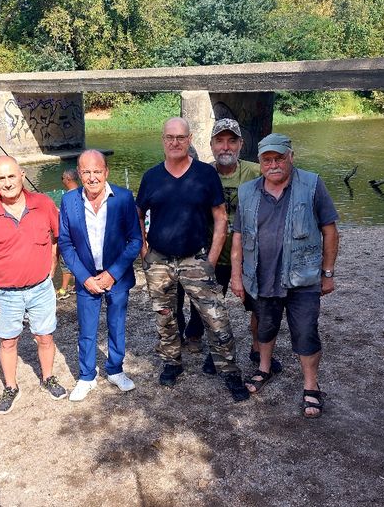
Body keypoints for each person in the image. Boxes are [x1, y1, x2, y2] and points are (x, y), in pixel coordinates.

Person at [136, 117, 249, 402]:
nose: (175, 142)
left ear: (189, 140)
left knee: (216, 318)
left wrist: (210, 258)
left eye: (181, 138)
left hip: (195, 258)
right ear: (163, 140)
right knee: (165, 317)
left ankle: (230, 371)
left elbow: (220, 218)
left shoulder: (205, 175)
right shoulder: (151, 176)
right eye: (170, 137)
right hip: (159, 261)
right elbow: (137, 215)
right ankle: (172, 363)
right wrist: (144, 251)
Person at [230, 133, 339, 418]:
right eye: (267, 159)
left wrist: (327, 274)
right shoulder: (247, 191)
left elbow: (330, 231)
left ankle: (311, 387)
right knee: (264, 328)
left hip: (303, 278)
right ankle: (264, 368)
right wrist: (236, 276)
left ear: (291, 156)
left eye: (279, 158)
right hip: (261, 276)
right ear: (260, 162)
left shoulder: (312, 185)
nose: (273, 164)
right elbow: (238, 237)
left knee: (305, 331)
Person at [184, 119, 283, 376]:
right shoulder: (201, 173)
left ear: (241, 144)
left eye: (231, 141)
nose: (225, 147)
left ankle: (257, 349)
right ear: (212, 145)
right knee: (209, 308)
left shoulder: (255, 172)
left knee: (259, 307)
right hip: (212, 254)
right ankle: (215, 351)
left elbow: (283, 187)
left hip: (251, 257)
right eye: (220, 141)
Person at [0, 155, 66, 414]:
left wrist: (53, 263)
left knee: (45, 336)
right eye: (1, 178)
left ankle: (48, 377)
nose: (7, 183)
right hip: (5, 293)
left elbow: (57, 237)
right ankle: (11, 386)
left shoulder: (43, 203)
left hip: (40, 289)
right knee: (7, 341)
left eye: (11, 176)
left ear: (22, 174)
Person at [58, 150, 142, 402]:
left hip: (116, 276)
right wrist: (84, 277)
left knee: (117, 324)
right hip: (87, 278)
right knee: (87, 328)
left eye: (97, 171)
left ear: (106, 172)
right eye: (86, 172)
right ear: (79, 173)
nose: (92, 177)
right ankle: (86, 376)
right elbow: (65, 242)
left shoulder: (124, 198)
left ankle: (115, 369)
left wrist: (113, 274)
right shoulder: (69, 200)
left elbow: (135, 240)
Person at [56, 168, 79, 301]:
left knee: (66, 263)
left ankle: (63, 290)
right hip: (80, 238)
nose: (62, 181)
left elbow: (67, 220)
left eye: (62, 178)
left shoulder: (67, 197)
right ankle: (77, 285)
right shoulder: (83, 193)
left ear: (68, 179)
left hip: (70, 238)